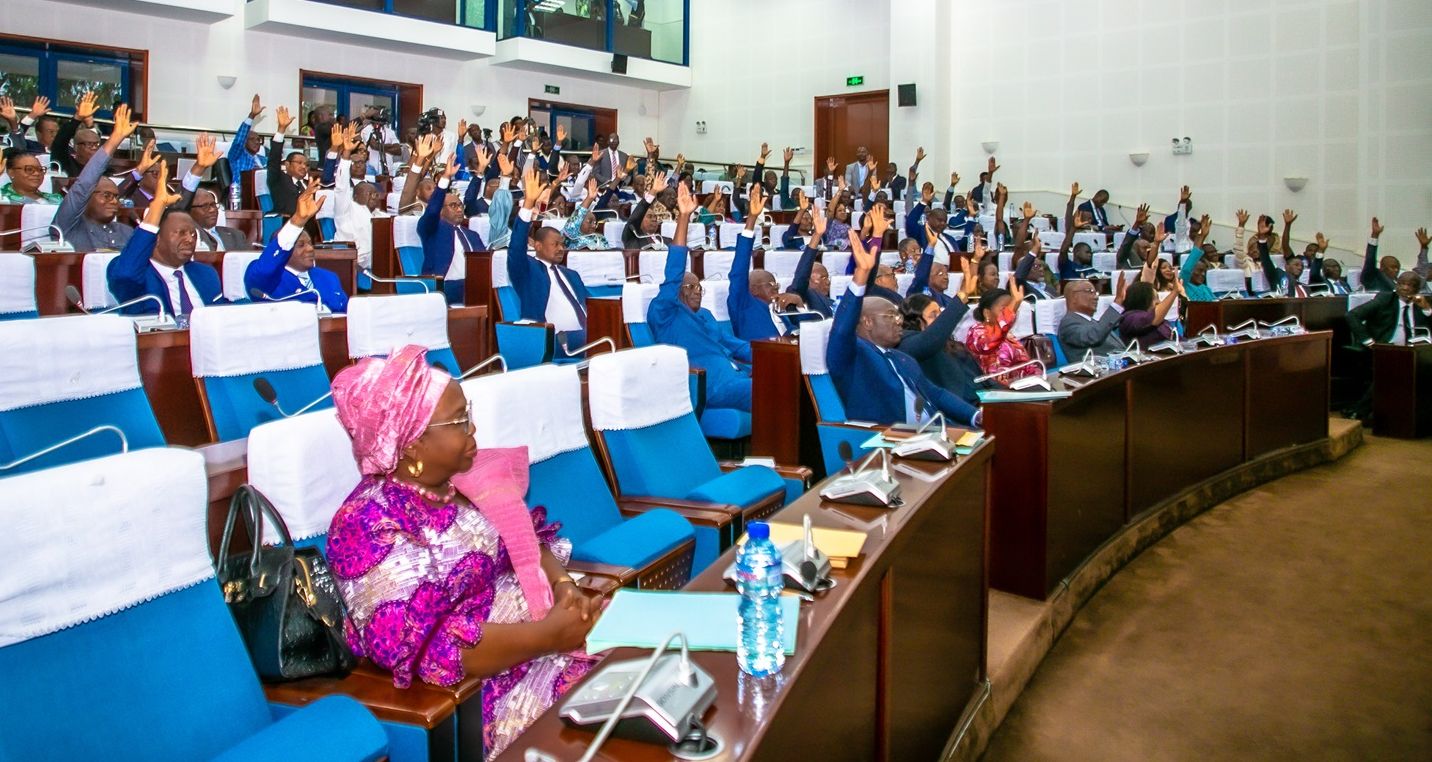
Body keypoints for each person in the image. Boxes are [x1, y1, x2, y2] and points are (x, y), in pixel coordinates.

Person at [327, 345, 602, 760]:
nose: (473, 429)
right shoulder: (369, 522)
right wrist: (549, 636)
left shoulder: (461, 486)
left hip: (543, 635)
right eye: (460, 420)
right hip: (486, 691)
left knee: (652, 670)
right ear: (414, 443)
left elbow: (525, 542)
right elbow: (428, 648)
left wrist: (562, 585)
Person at [827, 230, 980, 427]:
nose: (899, 321)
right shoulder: (854, 356)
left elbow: (936, 394)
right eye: (891, 316)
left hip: (937, 429)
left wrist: (974, 416)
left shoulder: (902, 358)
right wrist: (861, 276)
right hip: (893, 440)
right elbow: (841, 330)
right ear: (867, 322)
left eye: (899, 316)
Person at [648, 183, 754, 411]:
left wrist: (772, 359)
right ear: (678, 290)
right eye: (690, 287)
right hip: (710, 386)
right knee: (771, 391)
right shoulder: (664, 312)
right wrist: (684, 218)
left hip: (738, 375)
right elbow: (673, 273)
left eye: (699, 288)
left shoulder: (706, 315)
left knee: (785, 380)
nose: (697, 291)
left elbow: (736, 346)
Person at [107, 161, 222, 316]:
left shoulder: (205, 274)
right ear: (157, 238)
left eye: (193, 234)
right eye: (181, 233)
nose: (190, 239)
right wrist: (157, 206)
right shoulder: (139, 276)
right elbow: (125, 275)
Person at [507, 168, 590, 353]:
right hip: (554, 340)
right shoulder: (528, 270)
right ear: (537, 246)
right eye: (555, 244)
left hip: (590, 335)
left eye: (562, 244)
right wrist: (528, 204)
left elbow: (591, 304)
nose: (561, 248)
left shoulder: (571, 274)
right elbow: (516, 248)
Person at [245, 180, 348, 312]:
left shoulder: (328, 277)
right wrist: (297, 221)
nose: (310, 249)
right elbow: (265, 268)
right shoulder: (267, 278)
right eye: (300, 245)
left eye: (310, 243)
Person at [54, 103, 140, 251]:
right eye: (106, 195)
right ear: (87, 197)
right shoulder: (68, 225)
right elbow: (84, 185)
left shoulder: (128, 232)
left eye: (115, 197)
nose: (113, 201)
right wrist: (115, 139)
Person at [728, 184, 803, 340]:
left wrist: (800, 305)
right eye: (770, 284)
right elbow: (739, 272)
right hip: (764, 357)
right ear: (753, 289)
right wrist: (751, 220)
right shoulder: (743, 303)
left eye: (776, 284)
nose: (776, 287)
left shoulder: (779, 308)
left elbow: (800, 332)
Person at [897, 272, 983, 405]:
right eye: (933, 315)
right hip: (953, 412)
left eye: (940, 313)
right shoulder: (907, 343)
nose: (940, 320)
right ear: (916, 321)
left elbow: (980, 379)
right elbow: (930, 340)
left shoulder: (951, 344)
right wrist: (961, 297)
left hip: (982, 401)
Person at [418, 152, 486, 304]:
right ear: (441, 211)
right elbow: (432, 210)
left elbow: (483, 262)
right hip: (445, 287)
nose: (459, 209)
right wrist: (445, 179)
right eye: (453, 206)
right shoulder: (432, 228)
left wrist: (480, 172)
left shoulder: (472, 235)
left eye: (460, 205)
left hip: (474, 286)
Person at [965, 282, 1039, 384]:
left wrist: (1038, 379)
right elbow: (987, 345)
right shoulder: (976, 332)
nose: (1012, 313)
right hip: (993, 391)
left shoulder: (1009, 337)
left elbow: (1027, 366)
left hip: (1020, 389)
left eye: (1013, 309)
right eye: (1005, 309)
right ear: (987, 313)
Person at [1346, 271, 1432, 347]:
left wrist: (1426, 309)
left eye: (1410, 285)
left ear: (1417, 289)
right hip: (1387, 348)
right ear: (1396, 285)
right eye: (1401, 284)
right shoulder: (1385, 299)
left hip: (1416, 350)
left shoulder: (1421, 302)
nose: (1405, 288)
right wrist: (1367, 341)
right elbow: (1352, 315)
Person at [1059, 275, 1127, 356]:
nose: (1096, 297)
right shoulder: (1068, 324)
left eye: (1096, 293)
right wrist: (1117, 302)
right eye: (1090, 291)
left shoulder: (1093, 322)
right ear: (1074, 297)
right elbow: (1094, 337)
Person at [266, 106, 308, 217]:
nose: (304, 166)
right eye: (299, 163)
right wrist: (281, 130)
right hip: (286, 224)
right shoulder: (278, 179)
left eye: (306, 164)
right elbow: (273, 161)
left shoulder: (308, 184)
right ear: (287, 164)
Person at [1257, 209, 1310, 296]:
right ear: (1286, 266)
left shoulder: (1305, 286)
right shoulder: (1277, 275)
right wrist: (1262, 237)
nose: (1300, 268)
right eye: (1296, 265)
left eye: (1302, 266)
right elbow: (1265, 259)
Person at [1117, 280, 1182, 350]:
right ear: (1142, 299)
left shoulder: (1160, 319)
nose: (1159, 302)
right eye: (1155, 298)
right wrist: (1174, 292)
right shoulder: (1129, 318)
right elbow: (1154, 319)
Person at [226, 94, 269, 174]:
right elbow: (238, 142)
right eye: (252, 139)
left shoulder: (265, 160)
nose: (256, 142)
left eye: (258, 140)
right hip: (243, 186)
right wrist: (252, 115)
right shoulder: (236, 156)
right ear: (244, 142)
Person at [1359, 217, 1401, 293]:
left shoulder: (1401, 283)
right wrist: (1375, 235)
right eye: (1393, 267)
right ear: (1382, 268)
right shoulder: (1372, 278)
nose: (1396, 270)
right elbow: (1370, 260)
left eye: (1398, 267)